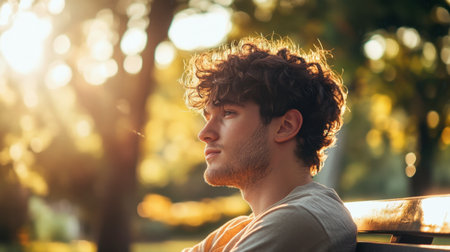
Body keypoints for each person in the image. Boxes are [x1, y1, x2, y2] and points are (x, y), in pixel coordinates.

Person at [181, 36, 357, 252]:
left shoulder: (299, 219)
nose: (204, 134)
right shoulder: (244, 227)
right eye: (207, 118)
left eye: (228, 113)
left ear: (286, 126)